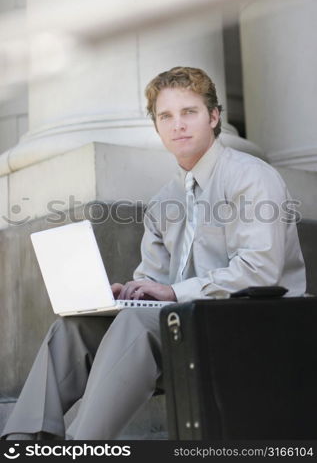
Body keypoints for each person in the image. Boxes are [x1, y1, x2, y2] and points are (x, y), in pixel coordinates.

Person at [2, 66, 306, 440]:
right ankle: (24, 439)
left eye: (189, 112)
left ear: (213, 117)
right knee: (76, 327)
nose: (177, 124)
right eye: (166, 116)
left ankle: (82, 446)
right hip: (186, 325)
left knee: (137, 324)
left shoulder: (251, 178)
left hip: (253, 325)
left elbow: (261, 270)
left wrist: (172, 295)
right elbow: (156, 281)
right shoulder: (164, 202)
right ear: (157, 127)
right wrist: (129, 294)